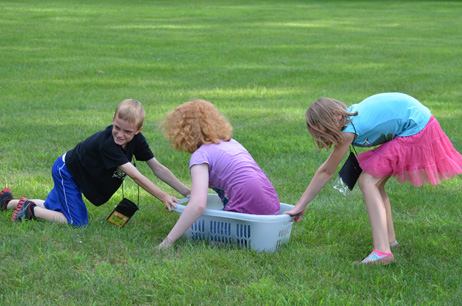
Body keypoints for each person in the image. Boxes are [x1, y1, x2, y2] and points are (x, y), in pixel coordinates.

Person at [285, 92, 462, 264]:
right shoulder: (348, 120)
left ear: (336, 115)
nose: (325, 138)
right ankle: (390, 241)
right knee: (373, 182)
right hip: (416, 122)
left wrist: (301, 205)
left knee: (367, 181)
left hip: (417, 126)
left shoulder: (348, 131)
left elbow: (326, 172)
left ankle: (382, 252)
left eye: (325, 132)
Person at [1, 99, 190, 226]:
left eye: (127, 132)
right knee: (78, 222)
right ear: (113, 120)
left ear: (138, 130)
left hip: (83, 175)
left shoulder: (137, 140)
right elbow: (135, 175)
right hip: (67, 172)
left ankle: (7, 202)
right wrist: (163, 196)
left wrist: (186, 191)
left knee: (53, 208)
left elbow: (157, 167)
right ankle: (30, 210)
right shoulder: (107, 144)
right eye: (117, 127)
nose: (120, 135)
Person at [156, 99, 280, 249]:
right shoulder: (231, 143)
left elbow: (198, 205)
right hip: (273, 205)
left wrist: (167, 242)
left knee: (200, 228)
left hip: (249, 206)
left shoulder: (200, 156)